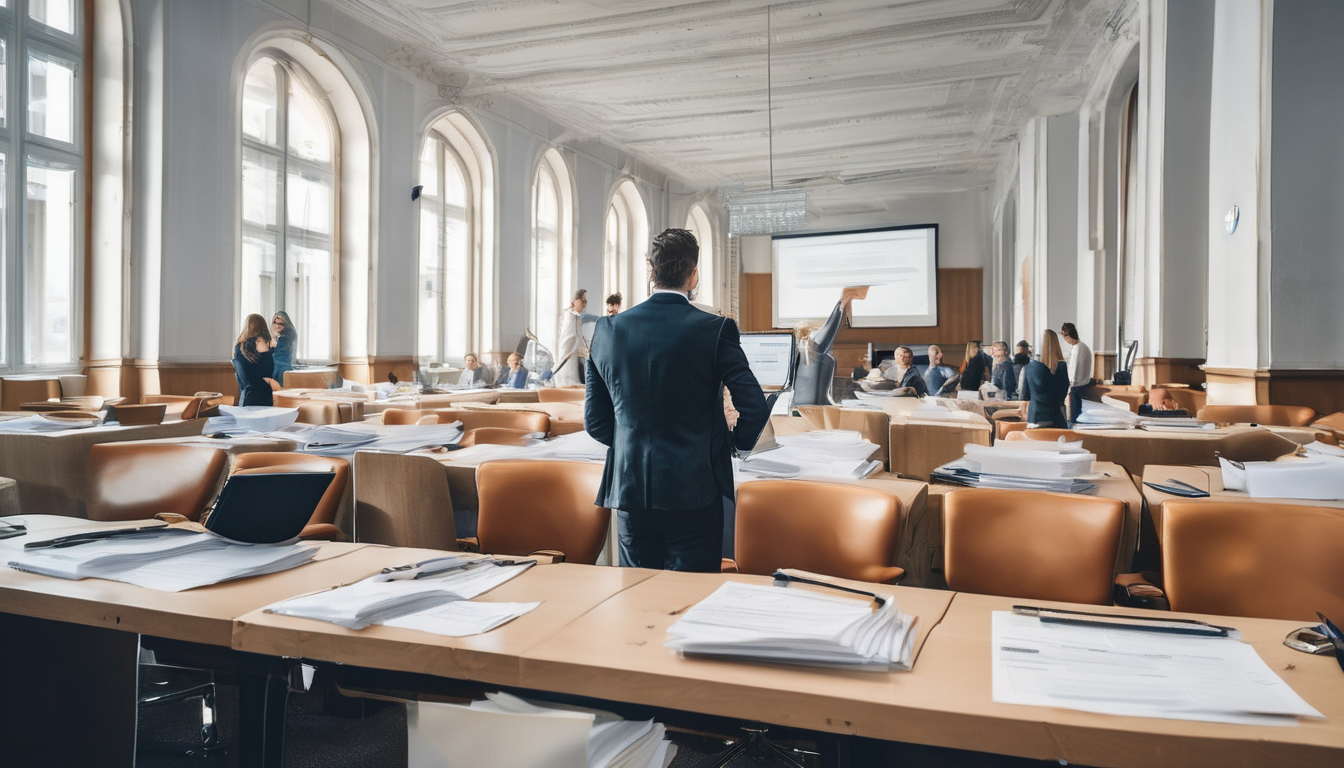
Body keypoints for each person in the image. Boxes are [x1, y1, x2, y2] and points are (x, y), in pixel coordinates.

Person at [586, 228, 769, 572]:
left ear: (650, 269)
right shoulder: (715, 329)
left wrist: (632, 443)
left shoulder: (607, 330)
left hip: (630, 489)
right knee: (692, 593)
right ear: (693, 275)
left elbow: (595, 422)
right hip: (695, 488)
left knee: (637, 592)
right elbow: (755, 407)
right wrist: (733, 445)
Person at [792, 286, 869, 408]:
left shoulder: (809, 350)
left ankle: (844, 299)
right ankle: (844, 299)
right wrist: (842, 303)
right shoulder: (811, 350)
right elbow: (828, 330)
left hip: (815, 406)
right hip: (812, 409)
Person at [1018, 329, 1070, 427]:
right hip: (1056, 416)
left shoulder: (1030, 366)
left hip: (1035, 416)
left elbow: (1024, 393)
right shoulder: (1061, 367)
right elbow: (1063, 391)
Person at [232, 314, 275, 407]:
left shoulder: (240, 347)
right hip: (267, 395)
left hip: (247, 396)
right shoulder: (269, 345)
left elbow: (243, 377)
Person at [554, 289, 592, 387]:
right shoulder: (570, 316)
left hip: (573, 353)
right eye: (583, 301)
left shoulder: (576, 317)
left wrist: (585, 351)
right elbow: (570, 337)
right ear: (576, 301)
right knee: (568, 382)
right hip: (569, 354)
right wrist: (583, 351)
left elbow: (578, 336)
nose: (585, 304)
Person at [1060, 322, 1093, 427]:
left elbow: (1073, 370)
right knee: (1078, 416)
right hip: (1084, 384)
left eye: (1064, 336)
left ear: (1067, 334)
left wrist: (1069, 386)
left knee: (1075, 418)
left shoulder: (1077, 349)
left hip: (1076, 386)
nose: (1065, 340)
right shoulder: (1083, 346)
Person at [270, 311, 298, 387]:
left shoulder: (285, 338)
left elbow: (280, 358)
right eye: (275, 323)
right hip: (278, 371)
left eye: (281, 324)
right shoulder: (277, 337)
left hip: (281, 372)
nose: (277, 326)